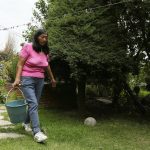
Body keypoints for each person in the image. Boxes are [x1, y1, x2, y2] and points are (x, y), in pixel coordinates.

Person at [12, 29, 56, 143]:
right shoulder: (28, 46)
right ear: (37, 37)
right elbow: (20, 64)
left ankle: (26, 123)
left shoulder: (45, 51)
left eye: (46, 37)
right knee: (34, 103)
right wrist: (17, 78)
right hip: (27, 79)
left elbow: (47, 66)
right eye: (42, 37)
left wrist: (52, 78)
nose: (44, 39)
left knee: (34, 104)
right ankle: (37, 132)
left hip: (40, 80)